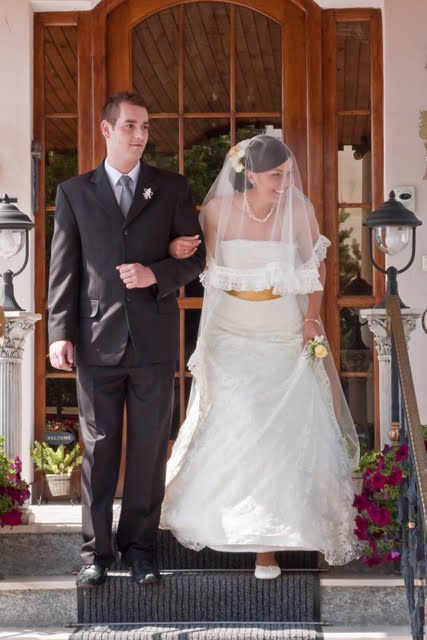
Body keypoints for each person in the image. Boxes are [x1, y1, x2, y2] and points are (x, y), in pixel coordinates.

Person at [160, 135, 361, 579]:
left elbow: (315, 268)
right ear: (250, 174)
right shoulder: (216, 211)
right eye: (276, 175)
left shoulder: (300, 211)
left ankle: (267, 548)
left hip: (283, 328)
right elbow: (203, 269)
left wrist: (311, 319)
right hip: (229, 330)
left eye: (287, 174)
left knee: (279, 433)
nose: (285, 183)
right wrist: (204, 336)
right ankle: (226, 521)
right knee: (241, 421)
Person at [48, 91, 206, 587]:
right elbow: (64, 269)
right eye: (131, 126)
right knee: (99, 450)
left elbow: (197, 259)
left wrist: (155, 273)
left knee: (148, 451)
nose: (140, 135)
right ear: (107, 129)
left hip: (154, 341)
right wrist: (59, 333)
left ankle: (140, 551)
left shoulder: (173, 188)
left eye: (145, 127)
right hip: (96, 340)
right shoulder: (74, 192)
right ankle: (96, 554)